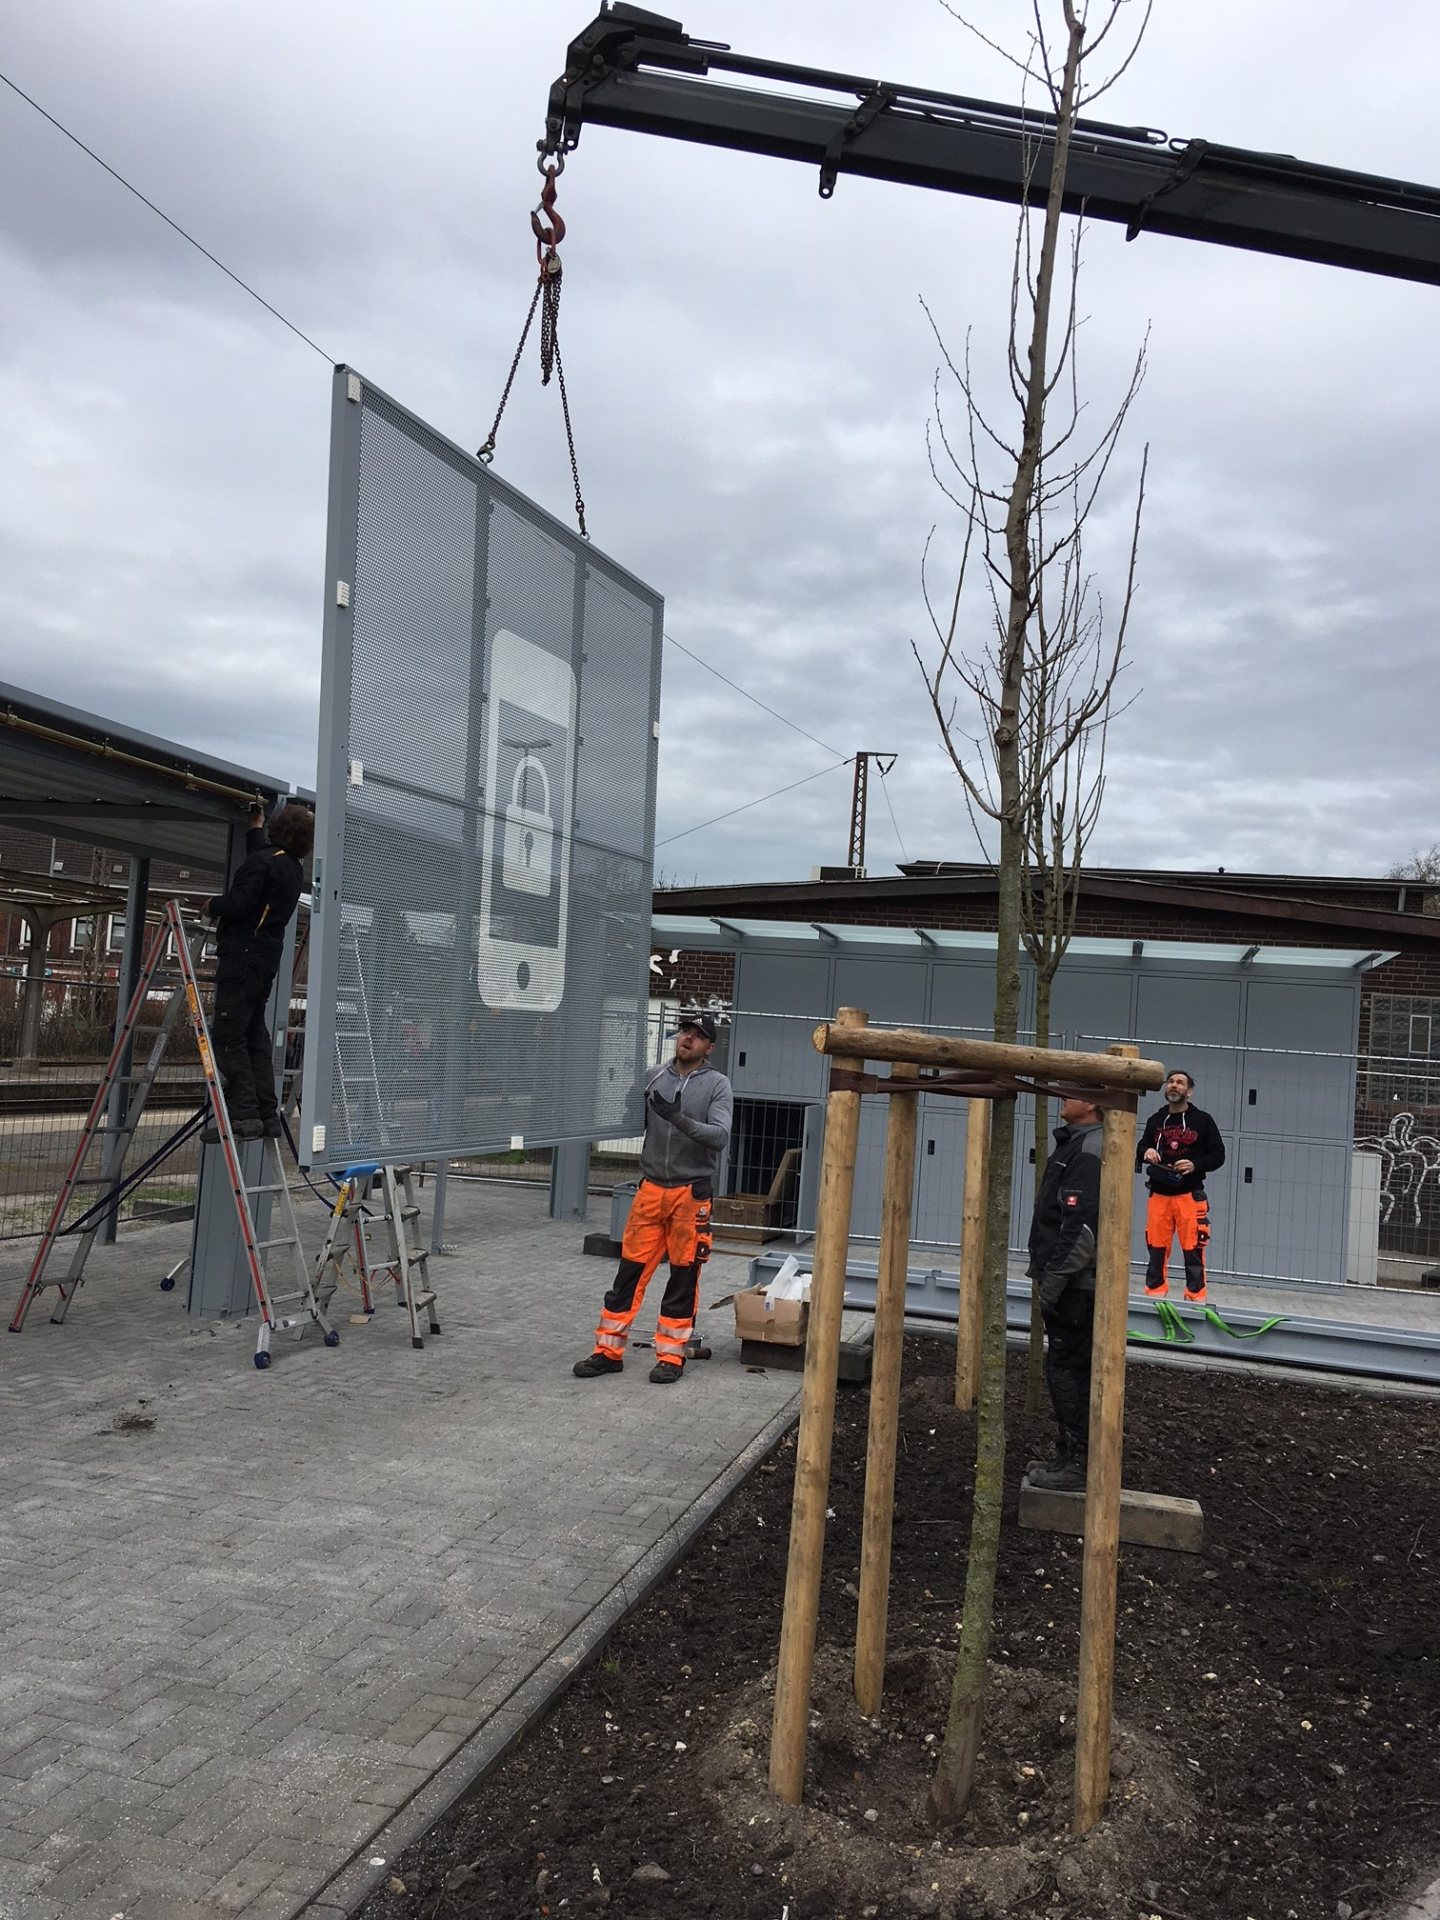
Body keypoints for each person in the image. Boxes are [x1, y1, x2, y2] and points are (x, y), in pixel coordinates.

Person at [574, 1011, 733, 1385]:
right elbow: (630, 1119)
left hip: (690, 1194)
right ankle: (608, 1351)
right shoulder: (654, 1076)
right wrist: (629, 1106)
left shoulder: (717, 1085)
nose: (687, 1038)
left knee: (683, 1276)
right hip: (650, 1190)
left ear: (709, 1047)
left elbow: (720, 1137)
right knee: (628, 1273)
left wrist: (680, 1120)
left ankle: (671, 1356)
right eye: (684, 1031)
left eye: (697, 1035)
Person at [205, 802, 315, 1141]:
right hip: (263, 963)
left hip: (241, 958)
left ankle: (245, 1116)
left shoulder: (265, 864)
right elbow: (263, 863)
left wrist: (212, 906)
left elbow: (239, 903)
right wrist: (255, 828)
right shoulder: (292, 868)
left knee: (227, 1038)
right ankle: (267, 1115)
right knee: (254, 1037)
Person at [1024, 1093, 1105, 1492]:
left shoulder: (1089, 1150)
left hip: (1075, 1289)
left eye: (1072, 1092)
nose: (1062, 1096)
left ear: (1091, 1104)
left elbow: (1081, 1229)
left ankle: (1077, 1464)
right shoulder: (1076, 1143)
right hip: (1068, 1285)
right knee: (1064, 1370)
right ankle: (1066, 1455)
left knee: (1069, 1371)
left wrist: (1052, 1284)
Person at [1137, 1069, 1226, 1302]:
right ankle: (1154, 1297)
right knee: (1156, 1248)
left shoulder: (1203, 1121)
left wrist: (1195, 1164)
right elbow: (1140, 1146)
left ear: (1190, 1091)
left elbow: (1218, 1155)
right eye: (1171, 1082)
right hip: (1159, 1195)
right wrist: (1145, 1151)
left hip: (1190, 1195)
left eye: (1180, 1082)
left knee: (1193, 1249)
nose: (1174, 1085)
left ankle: (1196, 1299)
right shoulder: (1155, 1120)